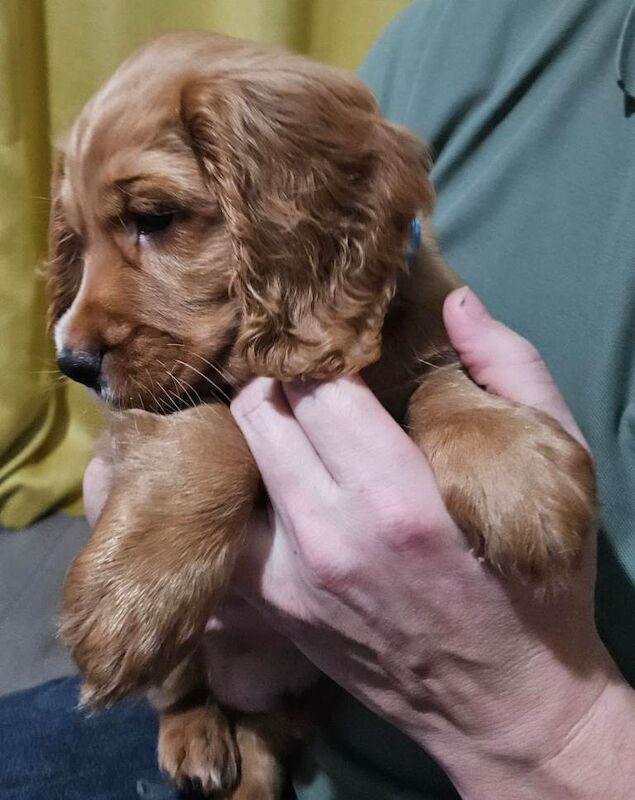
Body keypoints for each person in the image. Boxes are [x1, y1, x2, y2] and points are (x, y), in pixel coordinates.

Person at [3, 1, 634, 798]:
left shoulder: (351, 229)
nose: (77, 332)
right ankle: (208, 709)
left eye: (154, 217)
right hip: (234, 673)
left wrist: (462, 417)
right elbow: (171, 425)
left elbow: (415, 363)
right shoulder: (464, 29)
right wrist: (191, 479)